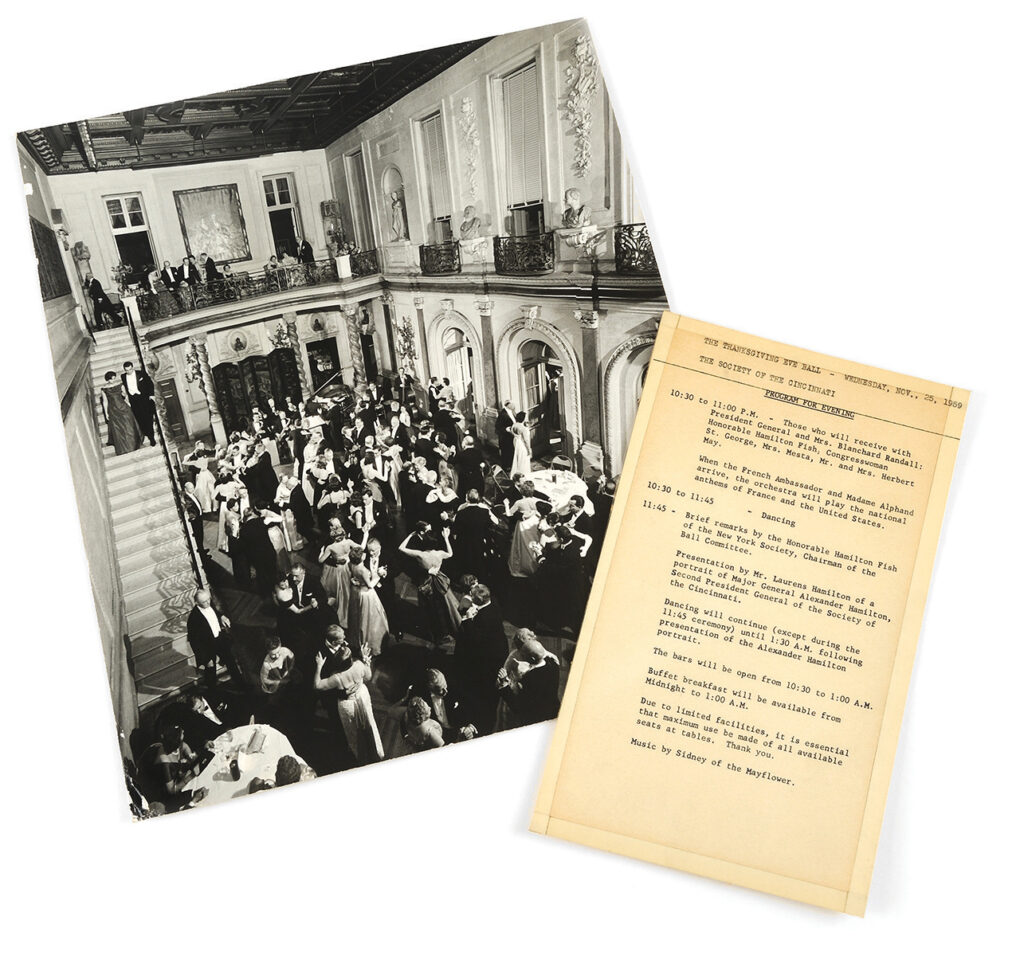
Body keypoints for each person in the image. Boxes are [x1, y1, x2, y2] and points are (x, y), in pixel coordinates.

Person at [314, 629, 384, 765]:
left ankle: (359, 755)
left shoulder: (336, 678)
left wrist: (319, 666)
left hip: (348, 704)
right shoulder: (358, 665)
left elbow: (317, 685)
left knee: (352, 731)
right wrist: (366, 661)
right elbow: (368, 677)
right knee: (370, 721)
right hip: (362, 696)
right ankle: (377, 752)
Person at [453, 583, 508, 735]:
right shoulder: (493, 603)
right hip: (498, 648)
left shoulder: (483, 619)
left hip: (486, 658)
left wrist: (468, 619)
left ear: (478, 601)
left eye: (472, 596)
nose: (469, 597)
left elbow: (474, 640)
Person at [398, 526, 461, 642]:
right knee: (444, 606)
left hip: (425, 582)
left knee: (429, 607)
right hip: (440, 582)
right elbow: (451, 554)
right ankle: (447, 631)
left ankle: (433, 632)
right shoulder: (440, 554)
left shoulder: (420, 555)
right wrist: (446, 538)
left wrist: (411, 535)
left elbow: (401, 548)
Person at [495, 628, 561, 730]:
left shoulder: (529, 679)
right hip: (551, 713)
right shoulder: (552, 663)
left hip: (533, 717)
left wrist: (505, 685)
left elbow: (518, 707)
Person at [185, 589, 241, 688]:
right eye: (204, 602)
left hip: (219, 639)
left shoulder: (209, 604)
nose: (207, 603)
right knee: (211, 670)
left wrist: (221, 616)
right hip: (207, 647)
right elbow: (194, 642)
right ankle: (212, 692)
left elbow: (214, 612)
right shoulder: (194, 618)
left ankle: (241, 684)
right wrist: (205, 659)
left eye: (208, 600)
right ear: (197, 602)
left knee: (231, 661)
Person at [347, 538, 390, 660]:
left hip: (356, 592)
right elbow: (370, 585)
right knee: (370, 619)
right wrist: (379, 575)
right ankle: (371, 643)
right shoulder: (363, 570)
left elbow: (352, 576)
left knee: (358, 617)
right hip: (366, 594)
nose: (367, 554)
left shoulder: (351, 564)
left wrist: (354, 580)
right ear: (360, 558)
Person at [99, 370, 142, 455]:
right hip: (113, 410)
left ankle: (134, 443)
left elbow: (125, 395)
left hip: (123, 407)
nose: (113, 380)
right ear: (108, 379)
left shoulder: (120, 385)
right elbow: (105, 401)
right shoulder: (104, 389)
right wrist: (106, 413)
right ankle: (123, 448)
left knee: (129, 425)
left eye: (114, 378)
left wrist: (128, 401)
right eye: (111, 379)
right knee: (119, 429)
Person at [121, 360, 156, 446]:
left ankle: (151, 437)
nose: (129, 371)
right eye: (127, 370)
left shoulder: (141, 373)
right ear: (124, 370)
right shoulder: (123, 376)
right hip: (133, 400)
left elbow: (150, 383)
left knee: (148, 418)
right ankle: (145, 434)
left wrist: (151, 395)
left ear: (133, 367)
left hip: (143, 398)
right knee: (139, 419)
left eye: (130, 369)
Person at [181, 481, 206, 556]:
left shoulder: (190, 494)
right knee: (198, 536)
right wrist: (194, 518)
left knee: (201, 535)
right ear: (186, 489)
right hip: (196, 521)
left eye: (193, 487)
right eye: (191, 488)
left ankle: (202, 549)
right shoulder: (187, 497)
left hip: (199, 518)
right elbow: (189, 508)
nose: (193, 489)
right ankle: (202, 554)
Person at [495, 400, 516, 471]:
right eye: (512, 404)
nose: (514, 405)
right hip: (505, 437)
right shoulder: (502, 414)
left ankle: (512, 465)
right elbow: (497, 427)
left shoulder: (512, 411)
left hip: (511, 436)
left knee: (511, 451)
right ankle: (506, 467)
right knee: (506, 452)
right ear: (508, 405)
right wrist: (506, 429)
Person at [511, 411, 532, 476]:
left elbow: (515, 432)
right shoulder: (523, 428)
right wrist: (529, 450)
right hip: (522, 444)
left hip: (516, 442)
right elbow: (526, 441)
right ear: (523, 419)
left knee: (517, 458)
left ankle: (517, 474)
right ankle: (524, 474)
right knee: (524, 459)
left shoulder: (514, 425)